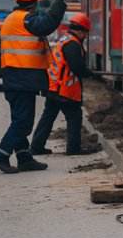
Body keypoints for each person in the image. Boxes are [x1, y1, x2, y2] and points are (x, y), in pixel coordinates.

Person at [0, 0, 67, 173]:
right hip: (22, 77)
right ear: (33, 3)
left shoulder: (11, 19)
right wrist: (59, 3)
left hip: (14, 78)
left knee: (19, 120)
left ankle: (24, 158)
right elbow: (47, 25)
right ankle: (0, 155)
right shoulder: (26, 20)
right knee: (23, 123)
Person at [30, 12, 99, 156]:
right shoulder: (72, 44)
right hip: (64, 89)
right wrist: (89, 73)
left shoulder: (65, 39)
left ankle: (36, 146)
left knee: (48, 116)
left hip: (54, 87)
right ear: (80, 31)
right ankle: (73, 148)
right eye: (85, 33)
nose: (86, 37)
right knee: (74, 116)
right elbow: (77, 67)